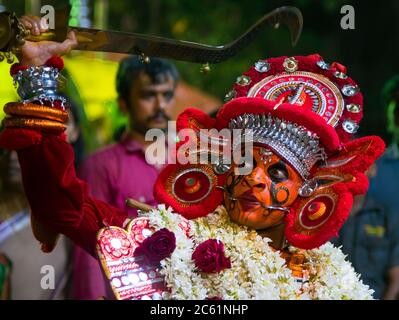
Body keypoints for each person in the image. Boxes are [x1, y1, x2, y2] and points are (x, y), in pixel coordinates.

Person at [0, 17, 386, 299]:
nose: (254, 179)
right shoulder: (174, 244)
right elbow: (62, 208)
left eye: (278, 173)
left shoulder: (328, 278)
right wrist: (39, 79)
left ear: (306, 192)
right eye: (245, 163)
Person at [72, 56, 179, 300]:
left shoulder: (186, 162)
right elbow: (89, 246)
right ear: (123, 103)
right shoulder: (100, 165)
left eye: (167, 95)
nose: (160, 105)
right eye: (148, 96)